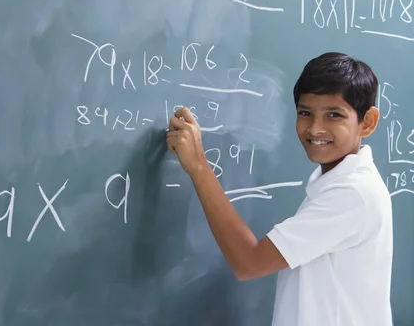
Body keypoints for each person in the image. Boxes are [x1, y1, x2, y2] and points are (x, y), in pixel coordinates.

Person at [166, 52, 393, 326]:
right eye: (305, 113)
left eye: (334, 115)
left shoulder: (353, 194)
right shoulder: (342, 183)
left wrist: (199, 167)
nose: (315, 128)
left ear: (367, 122)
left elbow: (249, 262)